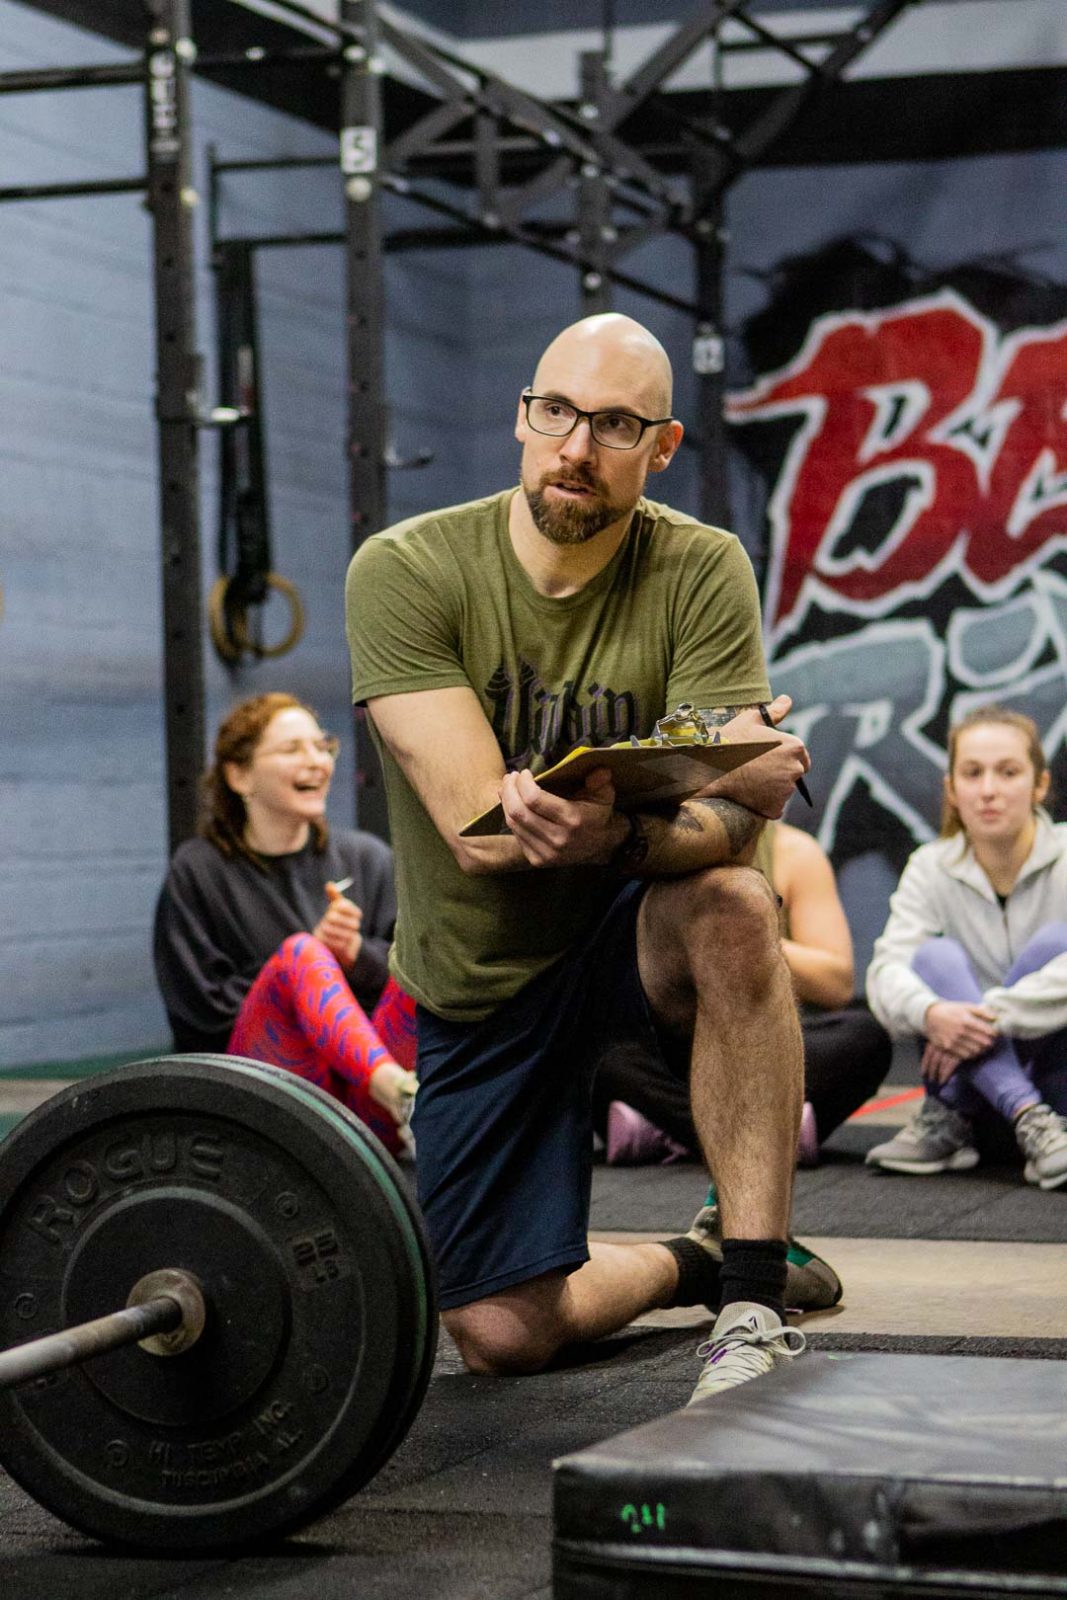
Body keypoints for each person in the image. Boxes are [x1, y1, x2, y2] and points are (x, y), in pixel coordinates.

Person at [346, 312, 840, 1406]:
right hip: (481, 983)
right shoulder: (406, 570)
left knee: (731, 905)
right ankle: (700, 1258)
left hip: (629, 939)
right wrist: (701, 775)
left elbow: (736, 832)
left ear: (659, 447)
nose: (575, 446)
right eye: (556, 412)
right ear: (522, 416)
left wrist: (636, 826)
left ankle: (752, 1300)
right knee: (499, 1334)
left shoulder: (701, 567)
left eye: (613, 424)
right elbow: (483, 838)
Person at [153, 692, 418, 1157]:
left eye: (322, 746)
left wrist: (357, 956)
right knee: (302, 953)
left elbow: (410, 980)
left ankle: (416, 1102)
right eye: (292, 749)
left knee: (434, 956)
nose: (316, 761)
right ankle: (400, 1090)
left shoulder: (367, 859)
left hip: (368, 1111)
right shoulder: (198, 871)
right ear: (239, 775)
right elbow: (200, 1017)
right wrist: (304, 977)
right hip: (273, 1105)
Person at [596, 820, 893, 1166]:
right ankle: (773, 1134)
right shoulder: (644, 841)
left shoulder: (793, 852)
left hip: (764, 1044)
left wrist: (742, 933)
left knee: (865, 1038)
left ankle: (664, 1127)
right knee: (587, 1044)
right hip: (668, 1046)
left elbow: (835, 982)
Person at [865, 705, 1067, 1188]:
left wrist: (983, 1020)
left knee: (1057, 944)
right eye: (972, 774)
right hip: (1005, 1116)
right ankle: (1026, 1116)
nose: (989, 789)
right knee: (932, 959)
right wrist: (933, 1014)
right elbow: (885, 971)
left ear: (1039, 785)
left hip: (1057, 1084)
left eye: (1008, 772)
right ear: (952, 790)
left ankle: (960, 1111)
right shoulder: (930, 866)